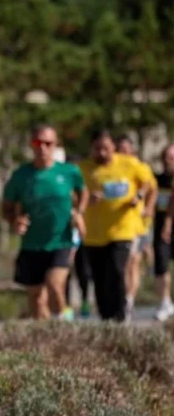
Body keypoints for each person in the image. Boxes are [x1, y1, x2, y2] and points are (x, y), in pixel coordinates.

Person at [2, 125, 86, 320]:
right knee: (36, 297)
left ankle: (65, 326)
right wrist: (16, 220)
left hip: (61, 241)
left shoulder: (69, 172)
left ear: (56, 145)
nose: (42, 148)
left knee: (54, 284)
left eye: (48, 143)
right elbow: (6, 208)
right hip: (32, 244)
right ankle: (46, 338)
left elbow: (83, 191)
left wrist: (79, 212)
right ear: (31, 145)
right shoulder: (21, 176)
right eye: (37, 143)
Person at [77, 129, 155, 322]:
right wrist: (86, 199)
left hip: (123, 229)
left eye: (106, 148)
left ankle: (120, 316)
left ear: (114, 147)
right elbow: (73, 194)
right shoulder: (83, 169)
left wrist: (140, 197)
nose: (102, 153)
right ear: (91, 149)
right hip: (94, 233)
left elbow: (148, 183)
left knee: (117, 270)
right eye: (97, 149)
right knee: (99, 277)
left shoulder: (129, 163)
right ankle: (106, 318)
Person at [115, 136, 157, 320]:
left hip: (137, 225)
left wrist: (147, 207)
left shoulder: (141, 168)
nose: (123, 153)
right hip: (116, 225)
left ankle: (129, 300)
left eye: (126, 149)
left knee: (133, 262)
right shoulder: (113, 168)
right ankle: (123, 298)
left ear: (132, 151)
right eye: (120, 149)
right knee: (122, 266)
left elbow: (152, 189)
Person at [153, 145, 174, 321]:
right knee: (161, 265)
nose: (169, 160)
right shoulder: (156, 180)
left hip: (168, 226)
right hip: (160, 230)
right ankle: (164, 302)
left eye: (172, 157)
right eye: (166, 156)